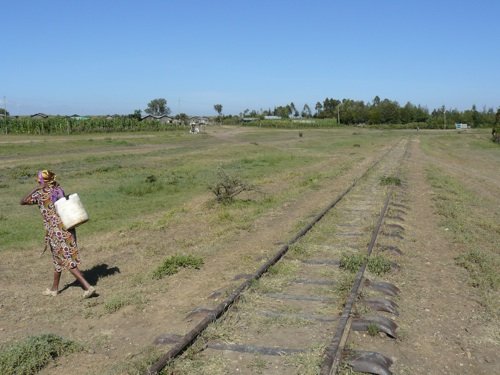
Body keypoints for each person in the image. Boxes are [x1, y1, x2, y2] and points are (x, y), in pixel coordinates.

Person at [20, 170, 96, 298]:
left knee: (65, 259)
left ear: (44, 181)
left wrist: (35, 189)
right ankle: (54, 289)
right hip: (67, 227)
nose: (38, 181)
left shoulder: (40, 194)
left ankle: (87, 287)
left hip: (56, 231)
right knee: (57, 259)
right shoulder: (58, 189)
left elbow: (23, 201)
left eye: (40, 179)